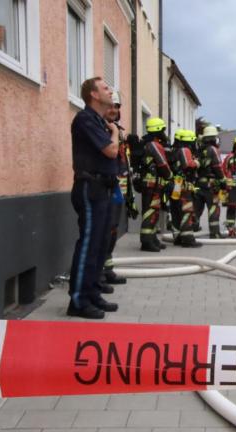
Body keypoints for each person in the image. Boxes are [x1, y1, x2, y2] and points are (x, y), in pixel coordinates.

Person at [67, 77, 120, 319]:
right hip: (91, 188)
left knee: (99, 246)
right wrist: (115, 133)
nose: (110, 91)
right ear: (94, 95)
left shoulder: (100, 121)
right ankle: (78, 301)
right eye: (105, 88)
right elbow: (110, 151)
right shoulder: (85, 119)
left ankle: (93, 293)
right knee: (89, 245)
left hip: (104, 188)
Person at [100, 91, 135, 290]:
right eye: (110, 105)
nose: (113, 110)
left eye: (117, 106)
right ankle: (99, 274)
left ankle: (107, 269)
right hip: (105, 190)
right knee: (105, 232)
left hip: (118, 191)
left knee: (112, 232)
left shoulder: (118, 130)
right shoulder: (103, 129)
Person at [139, 117, 173, 251]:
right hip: (151, 185)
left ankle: (152, 239)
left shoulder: (147, 143)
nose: (164, 133)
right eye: (163, 130)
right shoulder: (154, 145)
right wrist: (170, 177)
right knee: (150, 212)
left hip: (150, 184)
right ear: (158, 130)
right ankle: (146, 242)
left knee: (153, 212)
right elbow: (162, 164)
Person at [169, 129, 202, 247]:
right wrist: (197, 163)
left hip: (176, 184)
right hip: (182, 185)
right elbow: (188, 164)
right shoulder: (185, 149)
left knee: (176, 210)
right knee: (186, 209)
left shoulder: (174, 150)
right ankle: (188, 239)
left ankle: (177, 237)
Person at [193, 125, 226, 238]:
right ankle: (215, 232)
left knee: (197, 208)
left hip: (198, 184)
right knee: (213, 208)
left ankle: (192, 228)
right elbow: (217, 167)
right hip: (211, 185)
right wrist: (223, 180)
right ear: (213, 138)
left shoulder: (199, 149)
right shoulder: (213, 150)